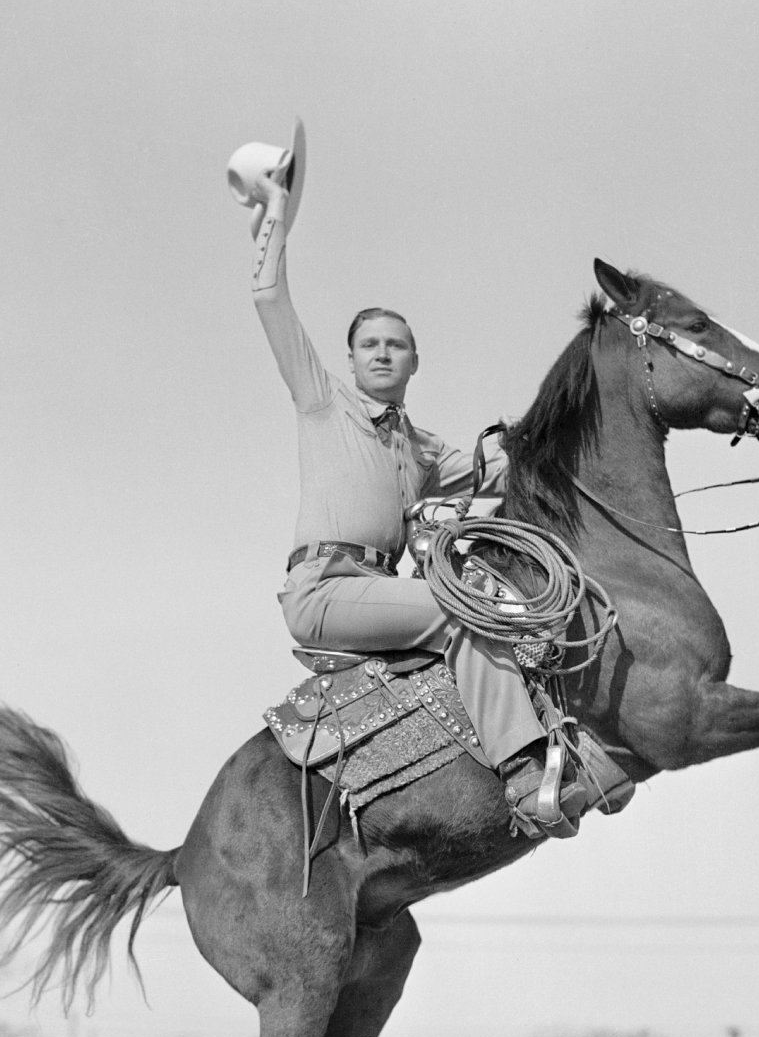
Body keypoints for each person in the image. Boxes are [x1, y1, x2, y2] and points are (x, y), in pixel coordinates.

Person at [243, 167, 586, 836]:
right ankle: (521, 772)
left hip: (379, 592)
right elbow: (269, 301)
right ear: (347, 360)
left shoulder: (420, 446)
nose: (380, 353)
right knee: (463, 611)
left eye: (393, 345)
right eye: (368, 344)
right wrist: (273, 219)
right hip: (323, 591)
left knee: (503, 605)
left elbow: (499, 471)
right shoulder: (322, 403)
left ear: (413, 361)